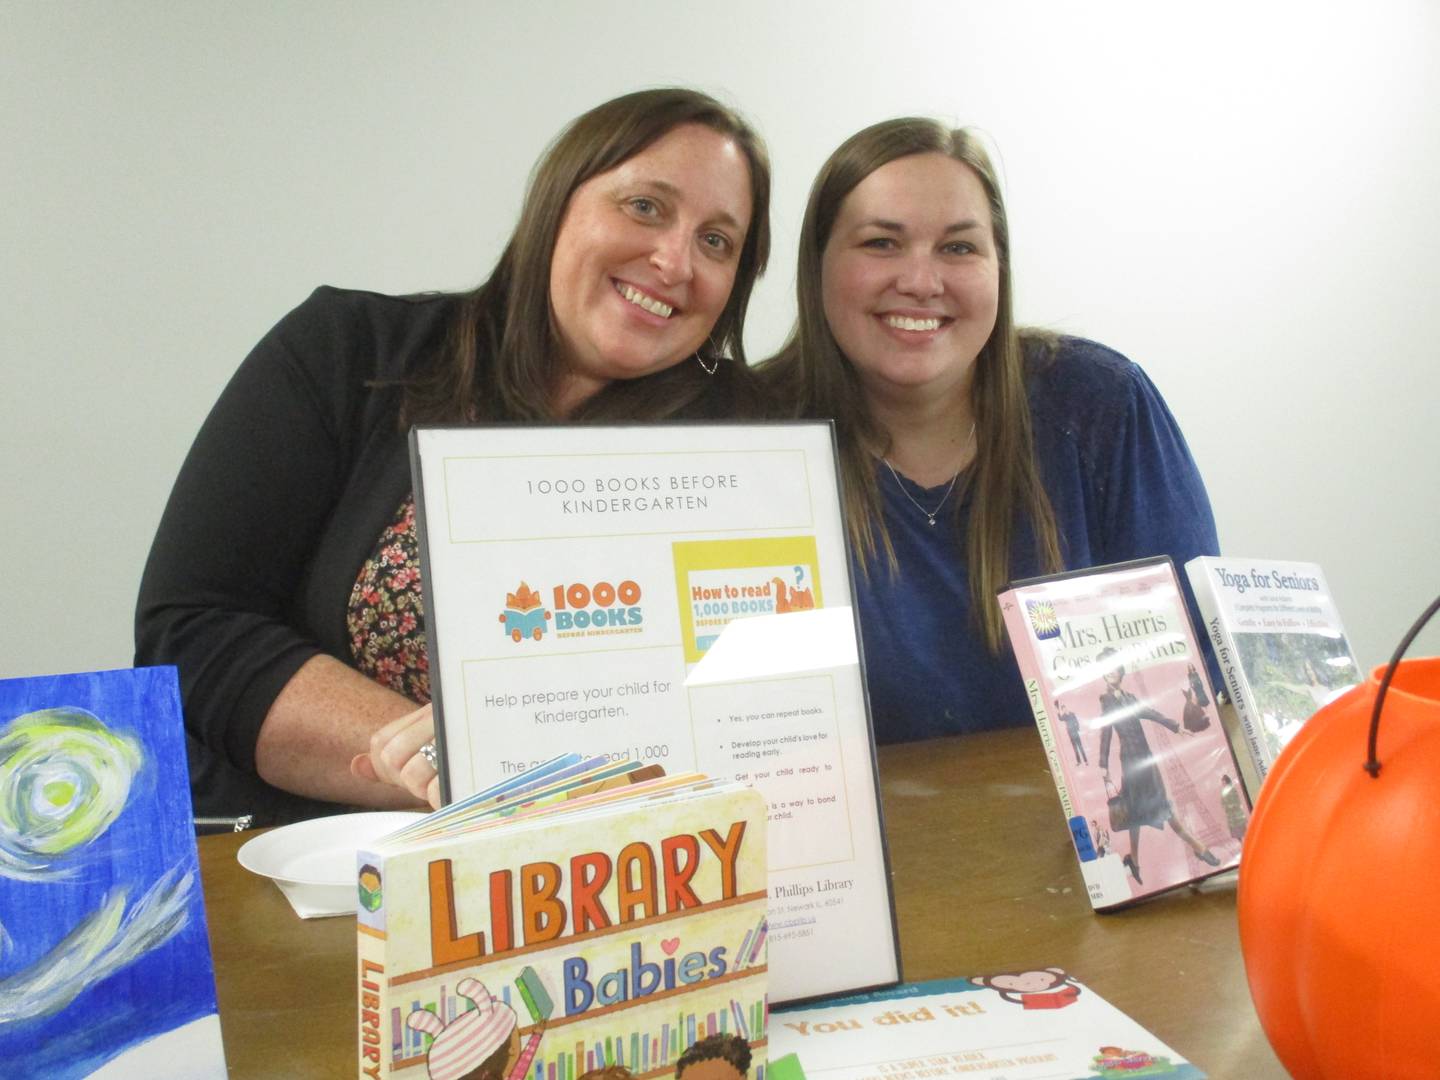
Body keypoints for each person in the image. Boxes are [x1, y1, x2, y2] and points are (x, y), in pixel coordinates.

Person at [135, 88, 771, 825]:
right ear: (557, 203)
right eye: (645, 207)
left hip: (621, 876)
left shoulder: (746, 442)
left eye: (717, 242)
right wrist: (462, 762)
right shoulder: (347, 351)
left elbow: (758, 693)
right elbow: (191, 630)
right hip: (317, 872)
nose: (673, 260)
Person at [758, 118, 1218, 743]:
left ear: (999, 267)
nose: (921, 282)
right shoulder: (747, 440)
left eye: (959, 248)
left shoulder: (1100, 407)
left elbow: (1197, 682)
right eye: (880, 244)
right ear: (817, 267)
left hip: (1074, 834)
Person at [1096, 649, 1219, 885]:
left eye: (1113, 667)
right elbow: (1105, 731)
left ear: (1120, 670)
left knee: (1146, 808)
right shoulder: (1107, 701)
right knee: (1141, 809)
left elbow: (1150, 713)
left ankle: (1134, 859)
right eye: (1105, 669)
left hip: (1146, 759)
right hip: (1131, 762)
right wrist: (1103, 765)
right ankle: (1198, 847)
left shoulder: (1130, 698)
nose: (1110, 672)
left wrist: (1176, 727)